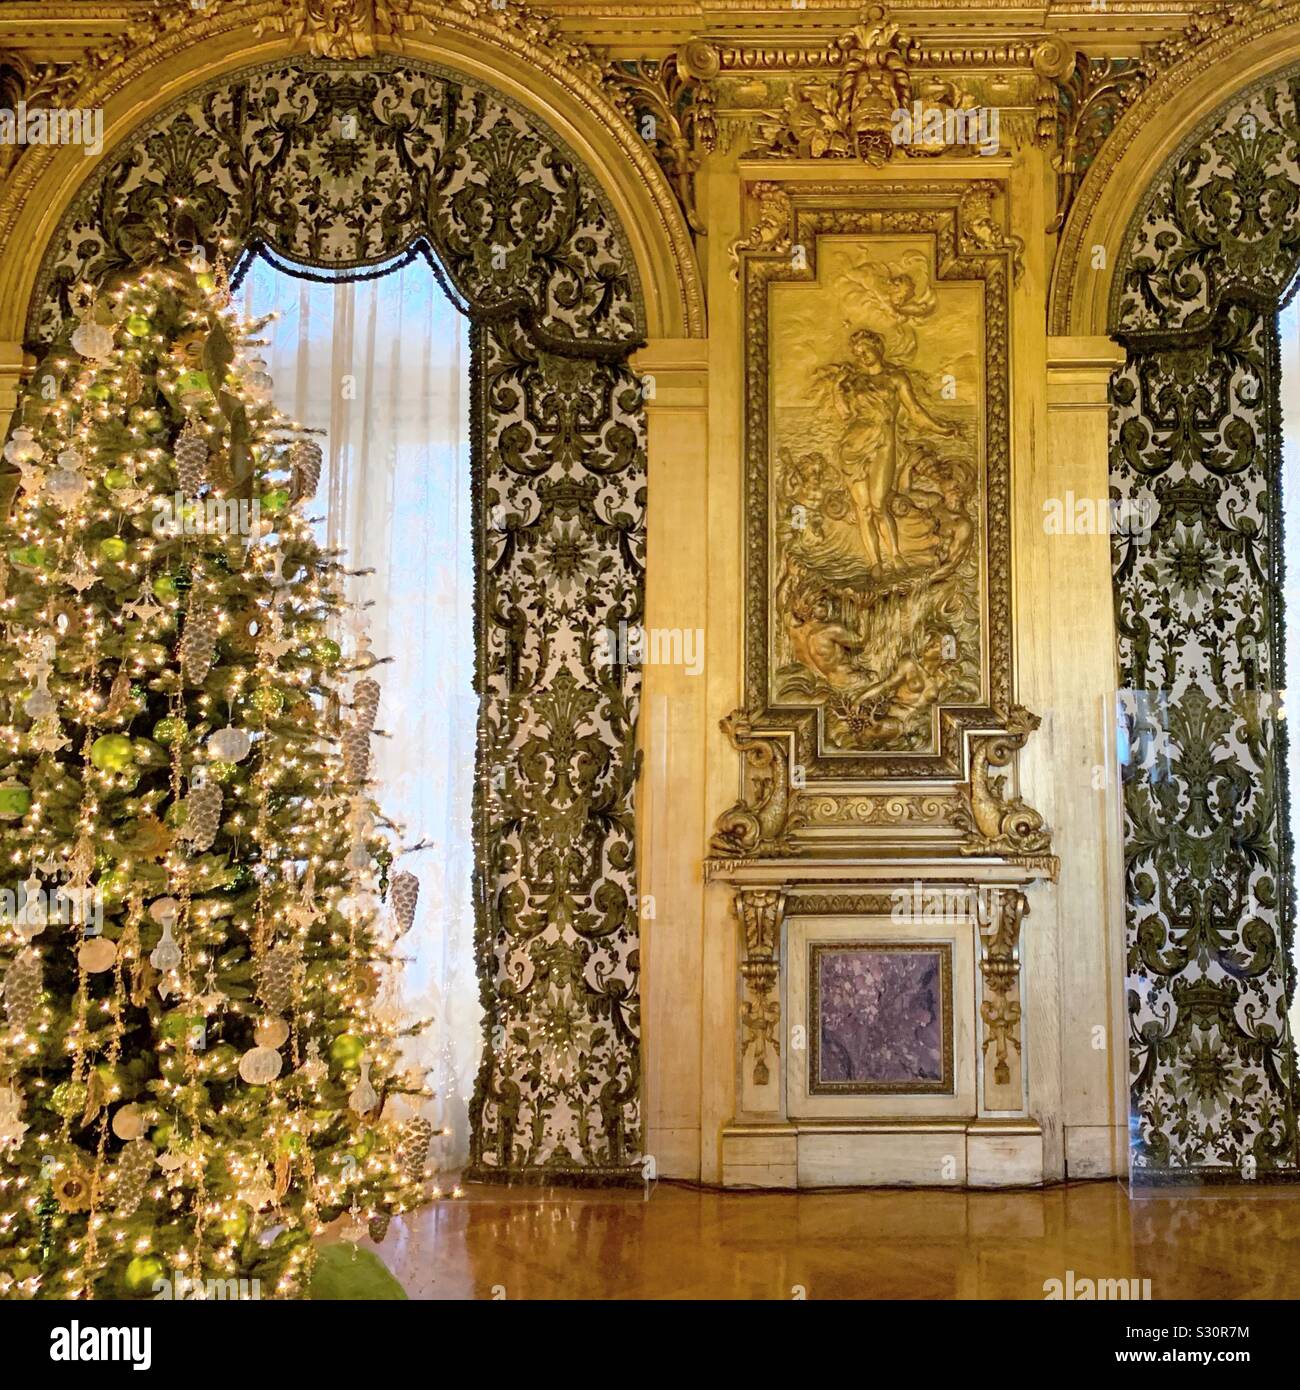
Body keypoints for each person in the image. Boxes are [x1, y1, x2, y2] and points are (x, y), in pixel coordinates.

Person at [830, 329, 959, 573]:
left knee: (879, 504)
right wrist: (837, 387)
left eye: (866, 349)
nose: (863, 356)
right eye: (858, 354)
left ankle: (896, 555)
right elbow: (845, 414)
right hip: (853, 446)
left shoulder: (896, 378)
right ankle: (875, 563)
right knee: (864, 509)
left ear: (878, 346)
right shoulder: (856, 382)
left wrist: (941, 429)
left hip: (883, 444)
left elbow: (915, 412)